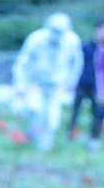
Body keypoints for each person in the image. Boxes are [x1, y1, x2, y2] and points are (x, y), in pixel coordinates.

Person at [12, 13, 83, 151]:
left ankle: (45, 144)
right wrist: (20, 84)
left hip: (57, 84)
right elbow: (23, 62)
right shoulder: (36, 39)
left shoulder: (72, 41)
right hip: (36, 82)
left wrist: (72, 82)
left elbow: (76, 64)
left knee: (52, 117)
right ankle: (31, 134)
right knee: (34, 108)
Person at [69, 21, 104, 140]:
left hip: (97, 86)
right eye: (103, 31)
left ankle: (94, 138)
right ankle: (71, 135)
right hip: (82, 83)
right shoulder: (85, 47)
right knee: (76, 112)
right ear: (96, 31)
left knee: (97, 114)